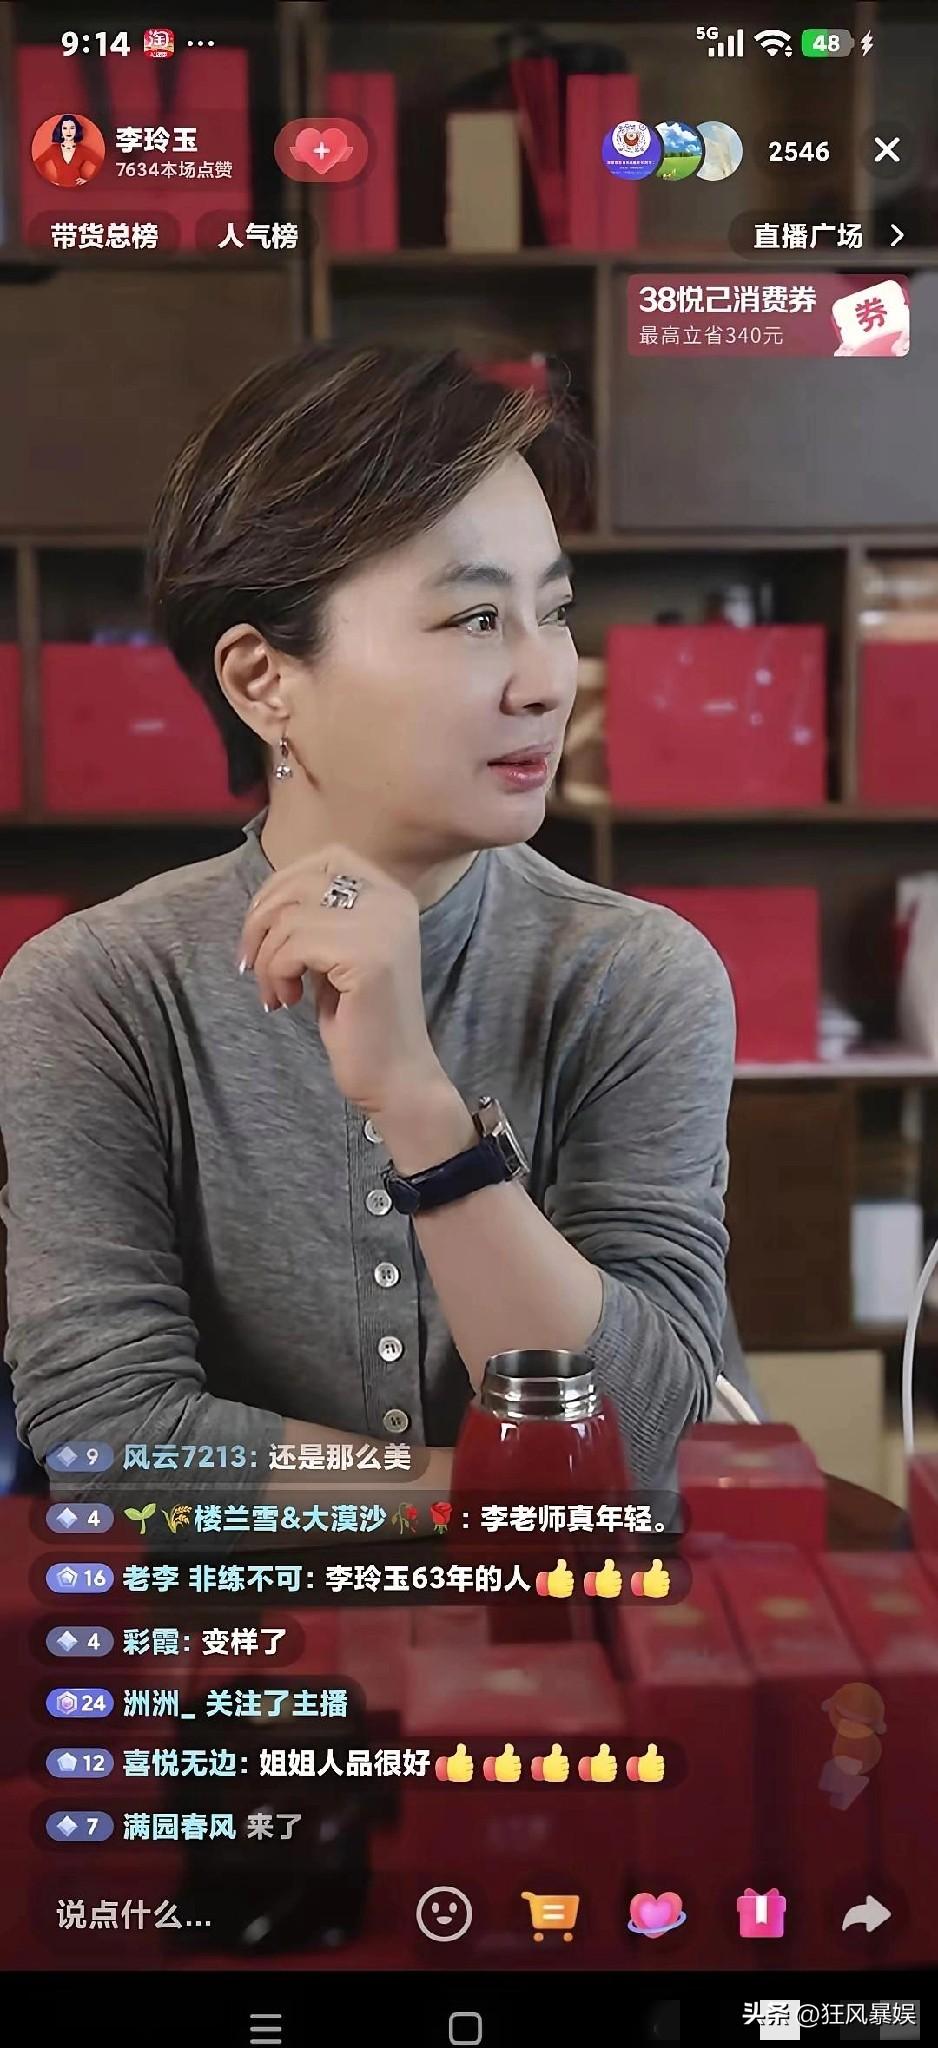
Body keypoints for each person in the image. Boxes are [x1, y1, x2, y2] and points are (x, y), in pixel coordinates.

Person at [0, 341, 752, 1512]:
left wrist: (417, 1104)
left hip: (574, 1623)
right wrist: (488, 1500)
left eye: (553, 611)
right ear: (262, 681)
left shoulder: (632, 975)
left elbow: (649, 1429)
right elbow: (109, 1436)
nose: (547, 679)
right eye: (474, 617)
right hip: (250, 1627)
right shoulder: (96, 993)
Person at [33, 114, 102, 189]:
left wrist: (87, 180)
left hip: (78, 189)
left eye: (72, 128)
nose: (68, 131)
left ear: (76, 130)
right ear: (60, 130)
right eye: (65, 128)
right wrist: (50, 181)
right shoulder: (54, 149)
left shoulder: (82, 150)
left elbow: (99, 162)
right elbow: (38, 162)